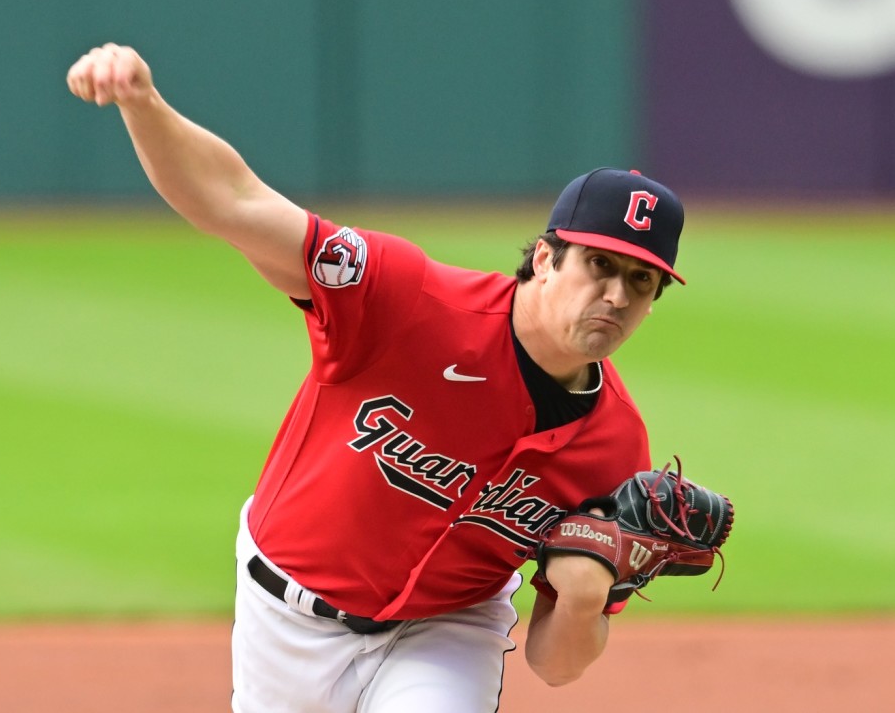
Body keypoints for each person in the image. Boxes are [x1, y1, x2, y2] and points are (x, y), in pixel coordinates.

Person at [67, 43, 688, 713]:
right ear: (544, 257)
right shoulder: (407, 298)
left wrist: (584, 597)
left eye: (641, 280)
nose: (618, 296)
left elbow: (556, 665)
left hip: (445, 630)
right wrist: (143, 103)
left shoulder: (617, 450)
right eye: (600, 264)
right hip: (284, 616)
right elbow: (236, 202)